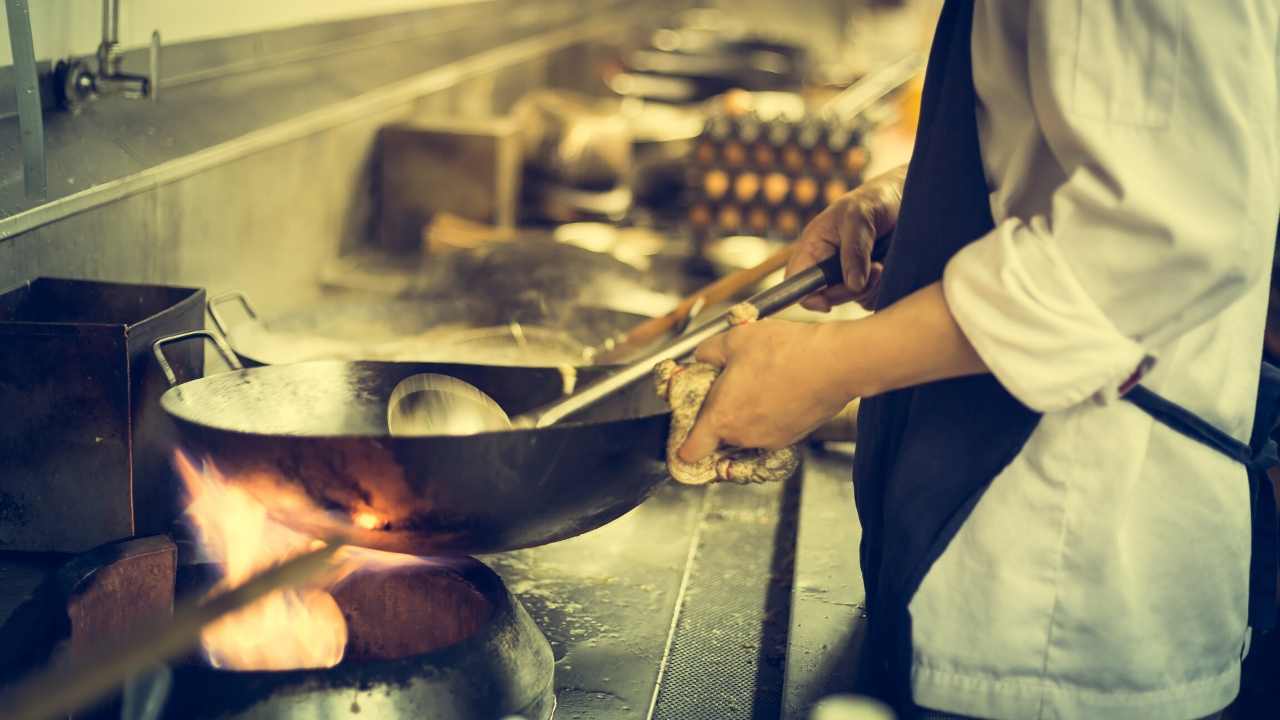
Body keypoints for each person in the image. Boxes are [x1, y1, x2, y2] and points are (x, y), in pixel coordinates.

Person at [678, 2, 1280, 719]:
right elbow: (1123, 136)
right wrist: (927, 200)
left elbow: (1159, 234)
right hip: (988, 539)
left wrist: (830, 365)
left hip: (1063, 591)